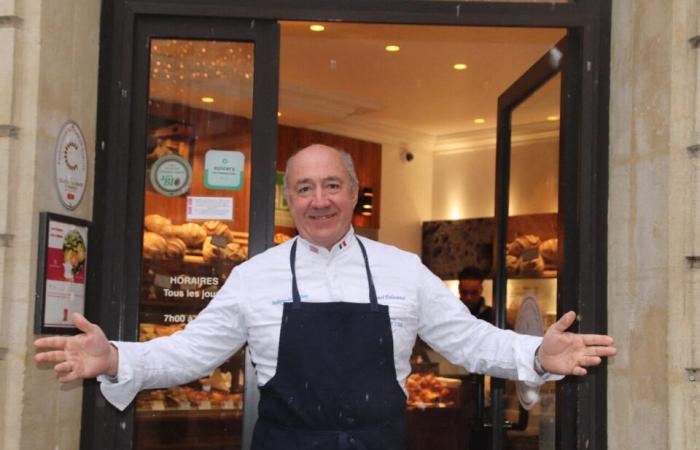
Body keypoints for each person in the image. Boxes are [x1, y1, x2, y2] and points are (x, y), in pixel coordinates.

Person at [34, 144, 617, 450]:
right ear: (289, 198)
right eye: (304, 189)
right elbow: (191, 353)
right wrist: (116, 357)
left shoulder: (403, 269)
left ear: (354, 193)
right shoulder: (255, 275)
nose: (319, 201)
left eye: (331, 185)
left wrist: (537, 354)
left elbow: (468, 340)